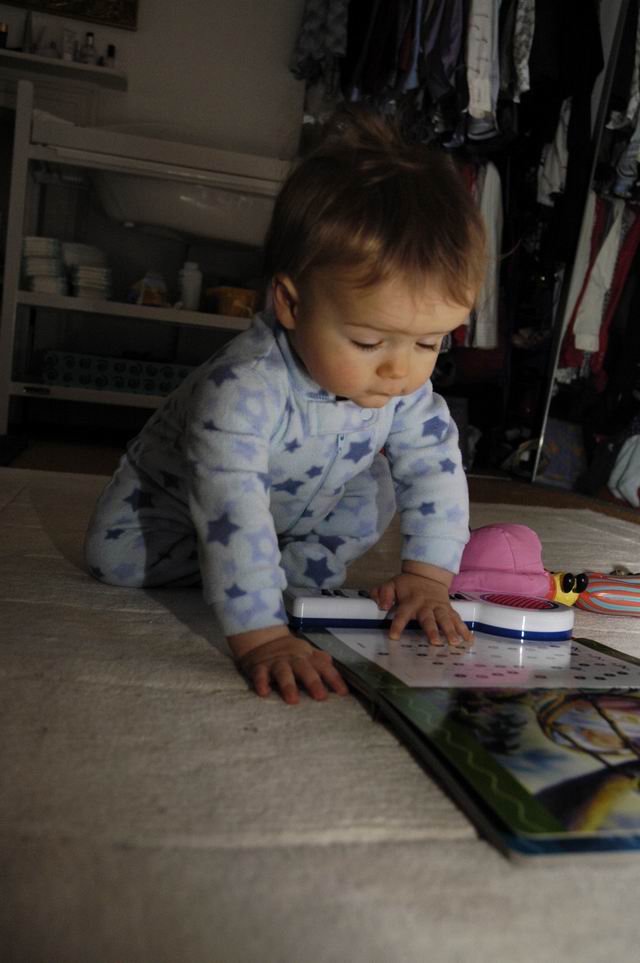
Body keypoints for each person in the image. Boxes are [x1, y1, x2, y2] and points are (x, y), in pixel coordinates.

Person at [85, 108, 487, 705]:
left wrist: (428, 577)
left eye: (430, 343)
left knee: (381, 482)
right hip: (174, 503)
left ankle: (281, 563)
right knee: (112, 561)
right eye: (368, 342)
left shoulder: (405, 388)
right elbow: (231, 511)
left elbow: (436, 473)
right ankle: (250, 569)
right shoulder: (242, 389)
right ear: (291, 305)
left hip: (301, 509)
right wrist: (263, 636)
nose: (399, 370)